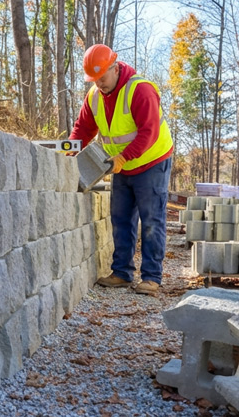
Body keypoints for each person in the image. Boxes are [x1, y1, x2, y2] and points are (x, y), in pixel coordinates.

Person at [70, 44, 174, 295]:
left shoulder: (140, 90)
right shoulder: (95, 96)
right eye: (94, 80)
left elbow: (149, 132)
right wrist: (69, 153)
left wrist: (124, 157)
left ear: (115, 68)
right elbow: (83, 129)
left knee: (151, 220)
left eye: (102, 77)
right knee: (121, 218)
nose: (99, 83)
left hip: (151, 162)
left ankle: (151, 277)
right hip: (122, 165)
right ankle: (122, 272)